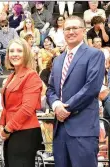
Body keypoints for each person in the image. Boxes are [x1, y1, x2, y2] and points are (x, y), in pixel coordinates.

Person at [46, 16, 105, 167]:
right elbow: (51, 89)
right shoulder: (58, 60)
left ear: (83, 31)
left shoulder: (94, 55)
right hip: (60, 132)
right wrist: (56, 106)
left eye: (75, 28)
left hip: (83, 131)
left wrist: (66, 108)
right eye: (67, 29)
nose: (71, 32)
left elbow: (91, 88)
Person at [0, 38, 44, 167]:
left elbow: (27, 108)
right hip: (11, 132)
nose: (14, 54)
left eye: (19, 50)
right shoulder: (11, 77)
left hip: (25, 132)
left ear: (26, 54)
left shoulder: (31, 76)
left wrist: (7, 129)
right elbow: (6, 106)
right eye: (11, 51)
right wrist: (2, 125)